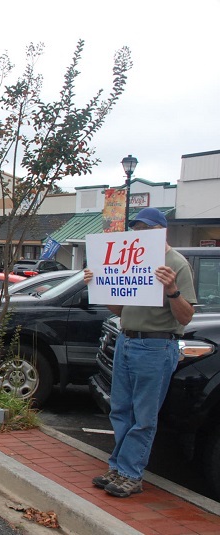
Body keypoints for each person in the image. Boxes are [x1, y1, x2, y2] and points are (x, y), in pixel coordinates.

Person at [84, 207, 196, 498]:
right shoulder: (133, 260)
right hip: (126, 339)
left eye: (146, 229)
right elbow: (120, 309)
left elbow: (185, 317)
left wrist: (171, 289)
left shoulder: (175, 263)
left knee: (143, 415)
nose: (140, 234)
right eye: (138, 229)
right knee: (121, 410)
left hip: (156, 345)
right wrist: (98, 284)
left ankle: (131, 473)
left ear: (161, 231)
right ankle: (119, 467)